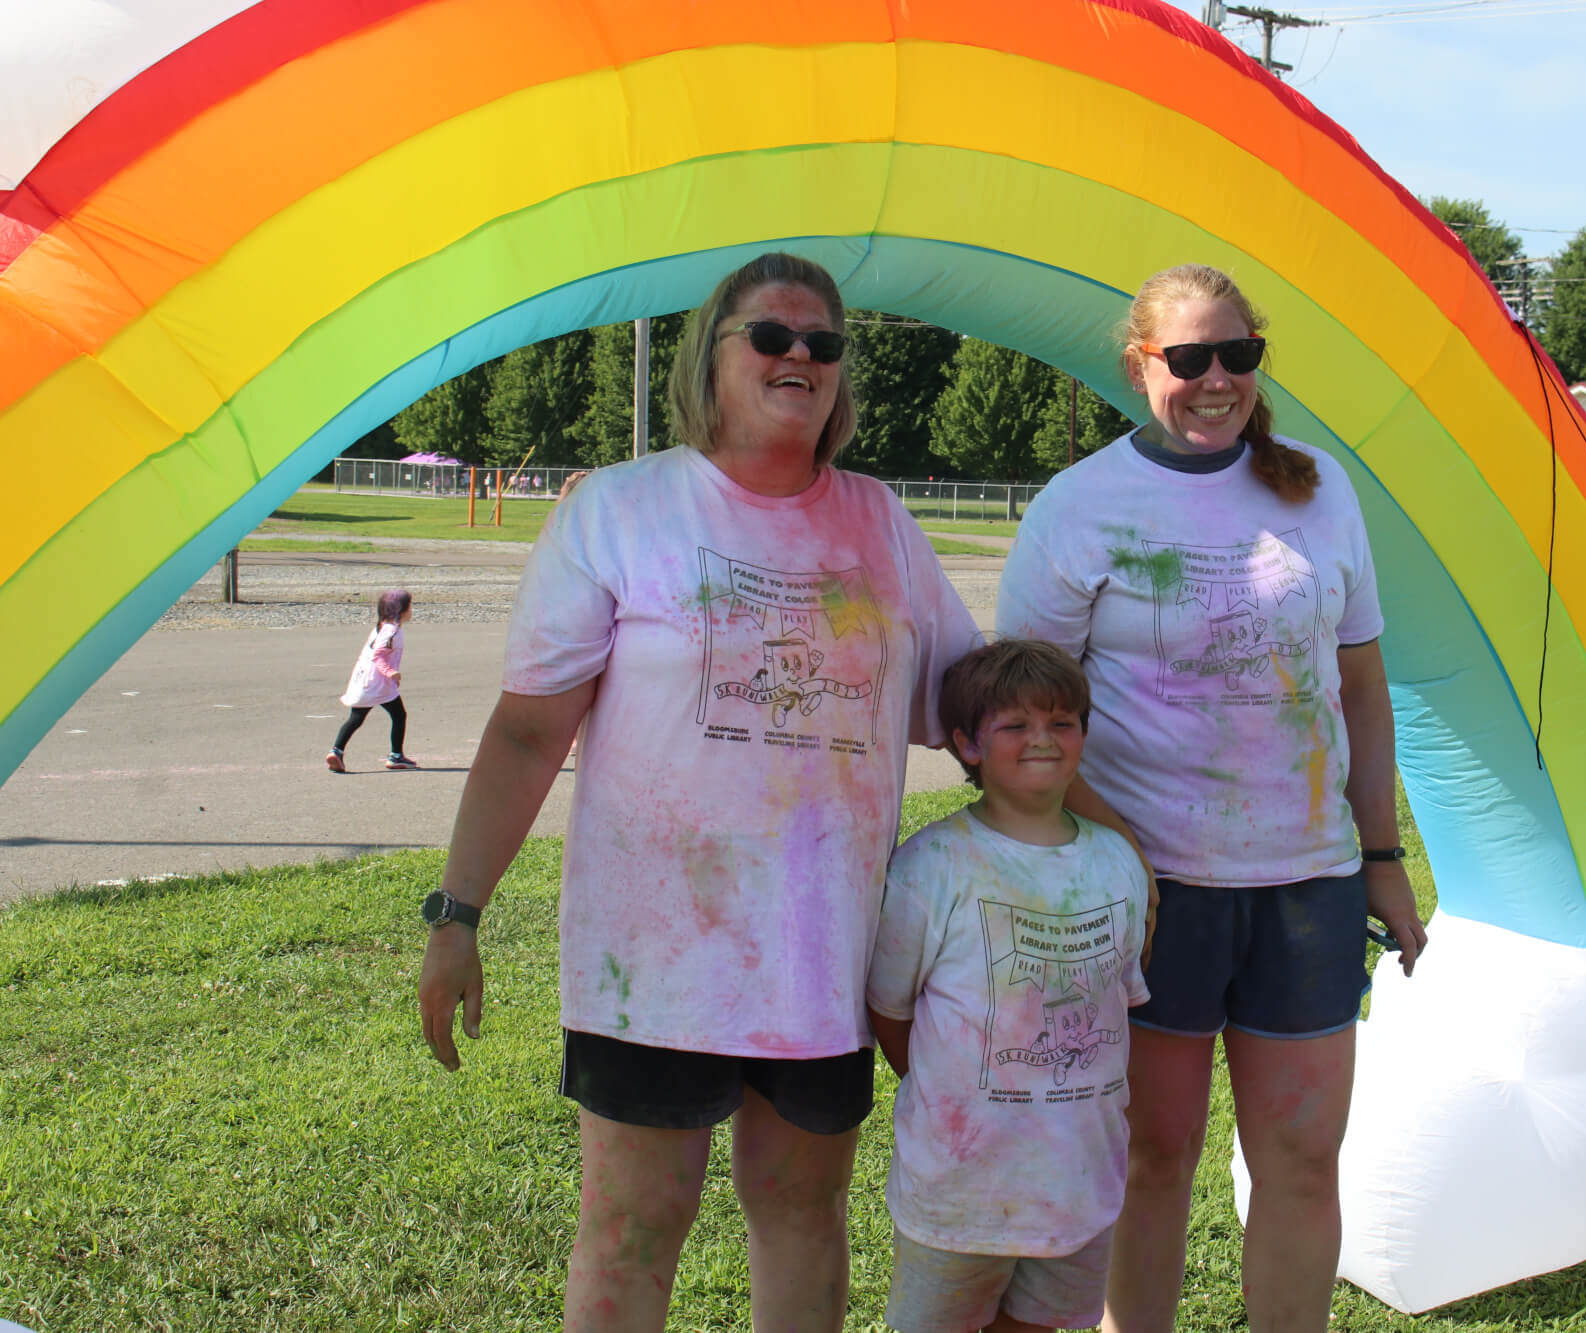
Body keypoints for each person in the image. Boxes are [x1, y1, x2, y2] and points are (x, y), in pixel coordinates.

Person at [415, 252, 979, 1333]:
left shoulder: (879, 524)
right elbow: (529, 731)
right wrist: (456, 913)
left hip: (818, 952)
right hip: (654, 957)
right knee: (634, 1224)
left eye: (821, 343)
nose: (799, 356)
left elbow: (971, 705)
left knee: (802, 1214)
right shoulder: (621, 510)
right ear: (710, 356)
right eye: (770, 336)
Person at [994, 263, 1429, 1332]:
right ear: (1140, 362)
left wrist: (1380, 858)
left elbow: (1362, 689)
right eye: (1187, 358)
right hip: (1151, 893)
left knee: (1299, 1158)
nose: (1215, 379)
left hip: (1307, 886)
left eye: (1238, 354)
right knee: (1154, 1156)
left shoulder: (1318, 489)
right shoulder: (1081, 505)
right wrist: (1107, 854)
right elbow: (1019, 713)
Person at [866, 639, 1150, 1333]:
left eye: (1061, 722)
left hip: (1077, 1187)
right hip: (959, 1193)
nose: (1042, 740)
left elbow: (1119, 1000)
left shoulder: (1119, 863)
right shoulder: (931, 867)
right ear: (967, 743)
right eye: (1015, 725)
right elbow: (890, 1011)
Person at [325, 589, 417, 772]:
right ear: (400, 610)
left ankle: (337, 751)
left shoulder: (383, 626)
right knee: (399, 715)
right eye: (410, 606)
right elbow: (378, 656)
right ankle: (396, 756)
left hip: (365, 681)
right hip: (378, 684)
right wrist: (390, 672)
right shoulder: (391, 631)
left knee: (357, 718)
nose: (412, 610)